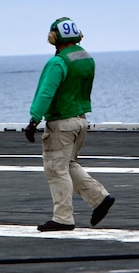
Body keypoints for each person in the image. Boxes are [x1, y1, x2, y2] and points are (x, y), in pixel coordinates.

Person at [25, 17, 115, 231]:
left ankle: (63, 218)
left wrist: (34, 120)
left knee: (56, 169)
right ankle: (100, 198)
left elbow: (47, 92)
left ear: (54, 37)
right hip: (80, 121)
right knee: (68, 165)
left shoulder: (58, 62)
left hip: (61, 123)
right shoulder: (85, 59)